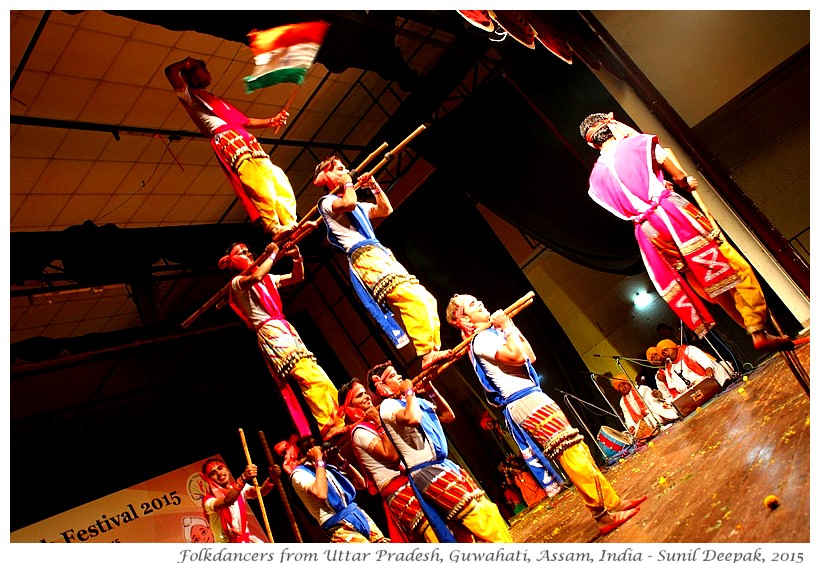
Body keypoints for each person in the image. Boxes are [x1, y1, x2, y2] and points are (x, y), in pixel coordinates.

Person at [579, 112, 792, 354]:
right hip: (672, 214)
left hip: (648, 231)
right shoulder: (636, 143)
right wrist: (682, 181)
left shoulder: (595, 180)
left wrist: (655, 185)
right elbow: (669, 163)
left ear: (592, 143)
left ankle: (753, 330)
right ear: (612, 125)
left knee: (702, 280)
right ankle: (758, 330)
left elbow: (628, 200)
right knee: (729, 265)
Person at [447, 294, 646, 535]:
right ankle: (602, 515)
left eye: (477, 299)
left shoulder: (492, 335)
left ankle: (612, 503)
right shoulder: (480, 341)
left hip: (531, 395)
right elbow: (517, 357)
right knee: (570, 453)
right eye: (472, 304)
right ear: (465, 320)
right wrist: (506, 327)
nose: (479, 303)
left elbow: (529, 357)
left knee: (577, 450)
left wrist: (510, 328)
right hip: (523, 400)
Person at [313, 156, 450, 369]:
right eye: (339, 169)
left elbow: (385, 210)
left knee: (426, 298)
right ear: (327, 176)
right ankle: (425, 353)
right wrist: (349, 181)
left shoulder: (357, 204)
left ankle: (432, 350)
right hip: (365, 258)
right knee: (410, 297)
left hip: (380, 253)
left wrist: (374, 186)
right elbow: (347, 203)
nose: (345, 171)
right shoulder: (327, 202)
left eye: (344, 169)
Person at [367, 361, 513, 542]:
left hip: (444, 465)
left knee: (473, 520)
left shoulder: (411, 401)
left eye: (397, 373)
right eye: (392, 376)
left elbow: (447, 416)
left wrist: (430, 390)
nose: (398, 377)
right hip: (427, 471)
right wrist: (409, 392)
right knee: (480, 515)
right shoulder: (388, 406)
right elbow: (412, 418)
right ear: (382, 387)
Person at [218, 240, 344, 440]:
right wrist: (273, 255)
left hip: (285, 329)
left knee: (316, 374)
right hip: (271, 332)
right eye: (241, 252)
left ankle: (338, 418)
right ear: (232, 262)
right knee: (308, 376)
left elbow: (297, 276)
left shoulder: (268, 278)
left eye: (247, 249)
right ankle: (327, 424)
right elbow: (257, 275)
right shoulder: (236, 283)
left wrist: (296, 257)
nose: (248, 253)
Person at [165, 56, 297, 239]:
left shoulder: (214, 99)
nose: (209, 73)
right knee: (256, 180)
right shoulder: (189, 95)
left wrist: (272, 120)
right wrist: (187, 63)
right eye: (204, 69)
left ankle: (289, 221)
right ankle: (273, 226)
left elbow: (245, 121)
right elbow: (170, 71)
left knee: (276, 177)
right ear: (193, 75)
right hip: (228, 139)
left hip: (245, 138)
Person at [337, 378, 438, 542]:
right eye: (359, 396)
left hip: (406, 483)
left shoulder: (372, 422)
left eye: (365, 392)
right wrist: (378, 422)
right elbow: (392, 456)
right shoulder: (359, 431)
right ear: (350, 407)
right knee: (431, 536)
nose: (367, 397)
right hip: (397, 489)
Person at [275, 438, 390, 543]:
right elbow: (321, 494)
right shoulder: (299, 474)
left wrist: (339, 460)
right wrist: (319, 460)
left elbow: (360, 484)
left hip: (357, 514)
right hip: (338, 526)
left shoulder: (324, 467)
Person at [199, 458, 276, 543]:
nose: (219, 473)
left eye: (220, 468)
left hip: (246, 541)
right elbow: (227, 501)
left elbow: (260, 492)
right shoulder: (208, 500)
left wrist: (272, 479)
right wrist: (243, 478)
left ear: (227, 470)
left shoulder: (239, 488)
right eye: (213, 473)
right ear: (208, 479)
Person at [655, 339, 732, 403]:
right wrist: (686, 387)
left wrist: (708, 368)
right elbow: (677, 386)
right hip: (696, 391)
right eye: (663, 353)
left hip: (709, 379)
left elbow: (703, 359)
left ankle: (723, 387)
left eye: (666, 350)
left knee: (723, 365)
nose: (666, 353)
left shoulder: (689, 350)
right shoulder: (671, 367)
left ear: (673, 346)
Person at [609, 373, 677, 439]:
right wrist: (631, 426)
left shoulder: (642, 389)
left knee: (653, 416)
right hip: (640, 422)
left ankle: (659, 427)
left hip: (652, 413)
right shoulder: (622, 402)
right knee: (630, 434)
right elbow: (628, 417)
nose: (623, 388)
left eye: (624, 384)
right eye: (619, 386)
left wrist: (645, 413)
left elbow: (653, 403)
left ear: (628, 382)